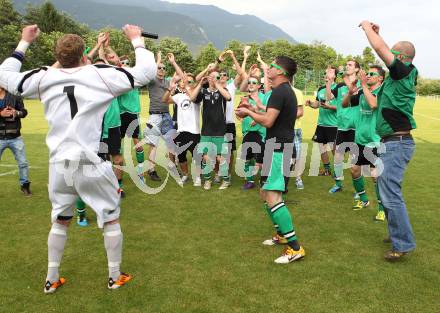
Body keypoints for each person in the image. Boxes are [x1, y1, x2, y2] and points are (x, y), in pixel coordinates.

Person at [0, 24, 156, 293]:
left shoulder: (43, 77)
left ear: (58, 56)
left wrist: (24, 42)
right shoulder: (99, 74)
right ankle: (114, 276)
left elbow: (5, 75)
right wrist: (137, 40)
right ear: (85, 54)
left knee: (60, 219)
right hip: (89, 160)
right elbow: (146, 72)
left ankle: (51, 279)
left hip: (59, 163)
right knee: (110, 217)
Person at [236, 56, 305, 264]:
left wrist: (248, 111)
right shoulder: (284, 92)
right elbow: (270, 115)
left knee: (273, 196)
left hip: (278, 149)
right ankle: (282, 235)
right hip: (275, 147)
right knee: (265, 193)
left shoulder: (279, 92)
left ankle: (295, 248)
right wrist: (254, 109)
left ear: (281, 72)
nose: (268, 69)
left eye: (272, 66)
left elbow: (267, 121)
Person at [360, 20, 418, 261]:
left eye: (394, 54)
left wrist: (366, 28)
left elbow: (382, 51)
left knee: (390, 194)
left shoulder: (404, 71)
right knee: (387, 192)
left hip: (397, 142)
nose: (389, 58)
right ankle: (398, 233)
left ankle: (402, 243)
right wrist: (376, 34)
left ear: (403, 58)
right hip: (391, 141)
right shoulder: (398, 76)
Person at [342, 66, 385, 218]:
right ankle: (364, 200)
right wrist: (351, 90)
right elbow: (344, 104)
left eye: (372, 74)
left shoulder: (382, 92)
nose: (368, 75)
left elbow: (373, 105)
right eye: (367, 73)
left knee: (375, 174)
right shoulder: (361, 91)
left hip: (375, 140)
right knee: (354, 169)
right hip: (359, 139)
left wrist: (363, 85)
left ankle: (381, 209)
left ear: (380, 78)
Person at [144, 52, 184, 181]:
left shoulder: (168, 82)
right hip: (154, 116)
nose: (161, 70)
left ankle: (172, 165)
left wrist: (173, 62)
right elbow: (149, 72)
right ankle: (151, 170)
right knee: (153, 144)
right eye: (159, 68)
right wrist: (158, 60)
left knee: (171, 143)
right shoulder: (151, 80)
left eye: (163, 68)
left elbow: (182, 76)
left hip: (166, 116)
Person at [190, 71, 231, 190]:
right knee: (206, 157)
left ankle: (226, 180)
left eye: (217, 77)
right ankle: (207, 180)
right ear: (207, 78)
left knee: (219, 157)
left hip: (220, 130)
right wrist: (200, 84)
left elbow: (228, 98)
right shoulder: (203, 92)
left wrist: (217, 84)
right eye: (211, 77)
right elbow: (192, 98)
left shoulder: (223, 91)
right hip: (206, 131)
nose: (214, 79)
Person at [163, 72, 201, 185]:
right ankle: (185, 175)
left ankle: (198, 177)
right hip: (181, 131)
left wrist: (188, 87)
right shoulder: (179, 96)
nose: (186, 83)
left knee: (196, 156)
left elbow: (193, 98)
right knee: (181, 155)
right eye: (185, 81)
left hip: (194, 131)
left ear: (194, 84)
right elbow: (165, 100)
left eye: (189, 81)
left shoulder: (198, 95)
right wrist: (170, 88)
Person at [328, 60, 360, 194]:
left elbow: (354, 94)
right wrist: (329, 81)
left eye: (350, 65)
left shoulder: (361, 84)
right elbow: (328, 97)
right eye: (346, 64)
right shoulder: (340, 85)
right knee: (338, 157)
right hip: (342, 127)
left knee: (355, 162)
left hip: (356, 127)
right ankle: (338, 183)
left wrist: (344, 76)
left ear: (357, 70)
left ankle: (358, 189)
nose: (347, 66)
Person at [306, 66, 339, 177]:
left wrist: (330, 107)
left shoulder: (338, 88)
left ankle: (338, 171)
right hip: (321, 124)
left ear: (335, 75)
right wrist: (311, 104)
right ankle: (327, 170)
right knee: (321, 147)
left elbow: (342, 108)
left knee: (334, 149)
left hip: (333, 124)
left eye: (330, 72)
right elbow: (317, 104)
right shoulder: (321, 89)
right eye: (326, 72)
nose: (327, 73)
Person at [0, 86, 31, 196]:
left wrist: (16, 112)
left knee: (23, 163)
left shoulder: (14, 95)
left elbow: (24, 112)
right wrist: (0, 114)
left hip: (15, 137)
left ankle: (25, 186)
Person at [239, 75, 267, 190]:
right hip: (247, 132)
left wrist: (256, 118)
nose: (250, 84)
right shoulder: (245, 98)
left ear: (259, 86)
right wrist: (241, 117)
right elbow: (239, 112)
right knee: (247, 158)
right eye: (249, 82)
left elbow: (269, 114)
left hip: (260, 133)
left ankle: (265, 180)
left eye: (254, 82)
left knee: (261, 159)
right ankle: (250, 181)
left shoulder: (264, 97)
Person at [292, 82, 305, 189]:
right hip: (281, 130)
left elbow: (300, 112)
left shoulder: (297, 92)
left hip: (295, 128)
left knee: (297, 155)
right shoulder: (276, 92)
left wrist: (284, 117)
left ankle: (298, 179)